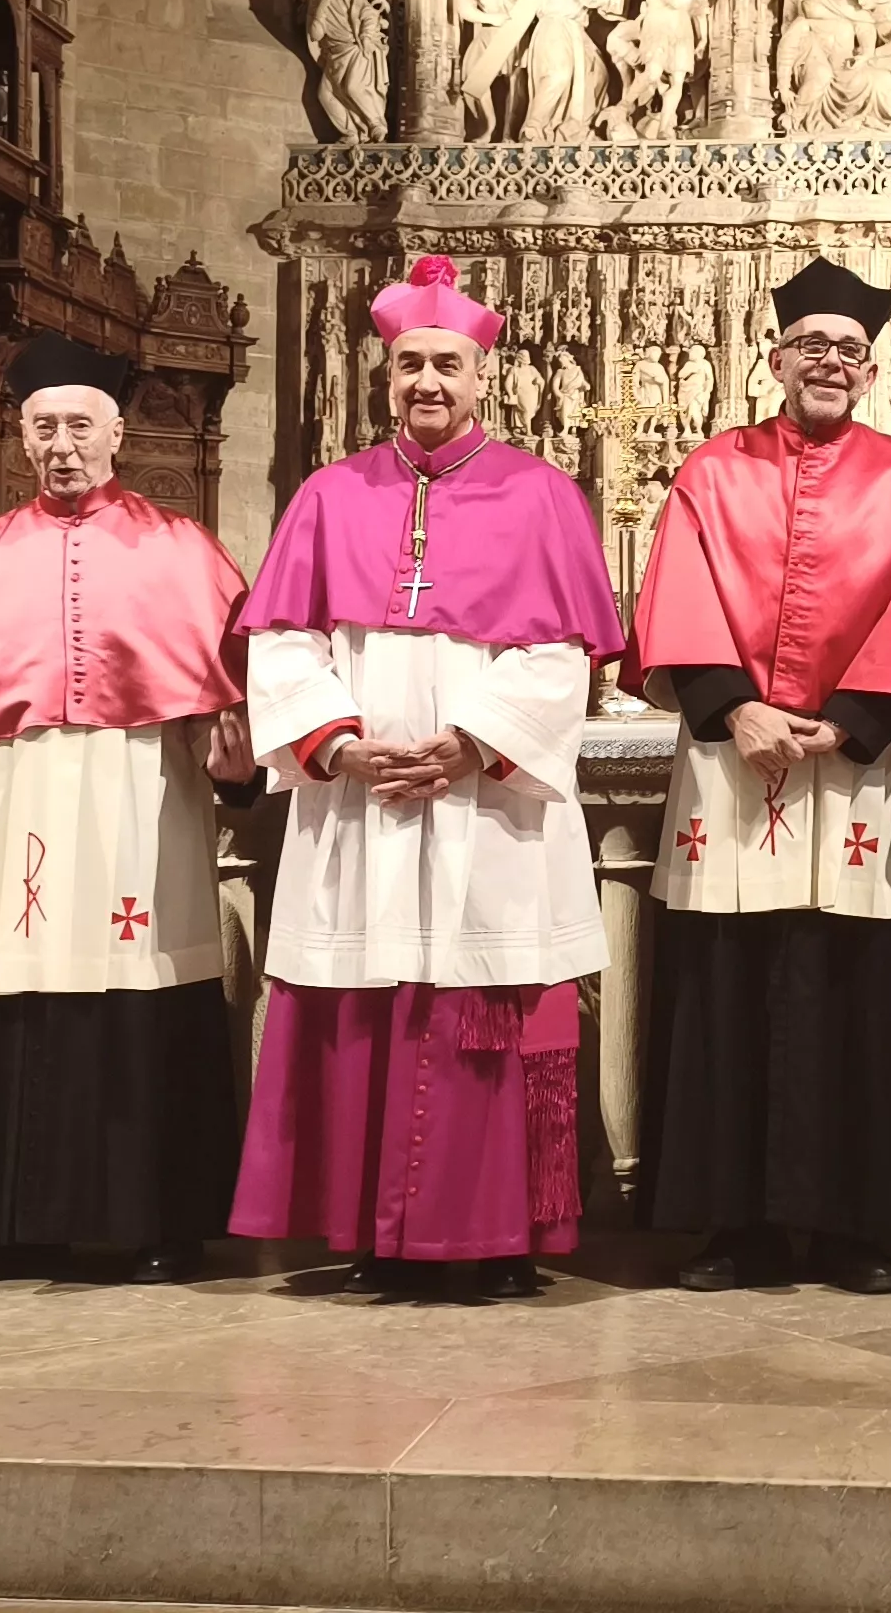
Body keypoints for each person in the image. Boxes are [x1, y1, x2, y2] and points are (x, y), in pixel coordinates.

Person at [230, 256, 628, 1298]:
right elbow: (280, 643)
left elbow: (558, 655)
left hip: (485, 805)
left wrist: (468, 743)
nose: (426, 382)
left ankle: (493, 1239)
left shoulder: (543, 496)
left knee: (482, 1008)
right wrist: (340, 742)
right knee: (367, 1002)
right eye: (408, 363)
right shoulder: (329, 494)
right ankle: (373, 1233)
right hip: (361, 803)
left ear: (484, 373)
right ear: (385, 371)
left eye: (446, 363)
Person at [630, 255, 891, 1296]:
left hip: (856, 769)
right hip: (735, 760)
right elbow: (677, 595)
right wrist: (736, 705)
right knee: (729, 985)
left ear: (871, 371)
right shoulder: (711, 470)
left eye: (848, 351)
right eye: (810, 345)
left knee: (855, 989)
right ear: (775, 357)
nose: (829, 362)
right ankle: (735, 1226)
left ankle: (854, 1226)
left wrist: (846, 722)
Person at [0, 334, 255, 1286]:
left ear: (117, 434)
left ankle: (159, 1219)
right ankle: (16, 1223)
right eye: (44, 428)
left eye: (80, 427)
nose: (63, 445)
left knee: (143, 991)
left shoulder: (180, 546)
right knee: (18, 991)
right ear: (23, 438)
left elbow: (230, 691)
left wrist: (234, 758)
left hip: (139, 787)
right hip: (9, 791)